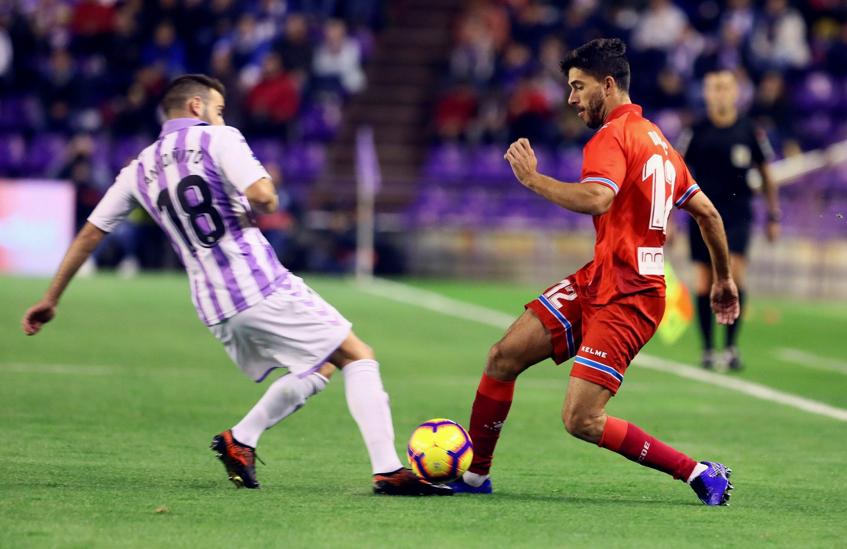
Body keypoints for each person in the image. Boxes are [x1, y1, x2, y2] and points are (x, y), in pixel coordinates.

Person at [21, 74, 450, 497]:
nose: (222, 117)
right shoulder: (219, 139)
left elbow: (90, 233)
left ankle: (241, 439)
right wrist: (268, 195)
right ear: (197, 107)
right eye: (219, 109)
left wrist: (50, 298)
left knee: (323, 364)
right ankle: (388, 470)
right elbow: (263, 196)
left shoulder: (139, 168)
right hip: (257, 283)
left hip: (213, 305)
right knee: (359, 355)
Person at [448, 39, 739, 506]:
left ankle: (700, 472)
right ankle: (476, 475)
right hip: (600, 278)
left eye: (578, 87)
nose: (571, 98)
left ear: (607, 85)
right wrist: (723, 279)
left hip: (630, 296)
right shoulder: (658, 141)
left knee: (581, 419)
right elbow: (709, 214)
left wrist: (533, 180)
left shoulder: (612, 137)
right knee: (503, 356)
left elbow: (598, 198)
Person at [678, 70, 780, 370]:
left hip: (737, 215)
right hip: (701, 215)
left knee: (734, 274)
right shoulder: (696, 130)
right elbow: (677, 171)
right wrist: (668, 217)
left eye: (725, 87)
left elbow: (766, 174)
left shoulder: (750, 130)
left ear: (736, 93)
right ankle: (708, 348)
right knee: (703, 281)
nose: (720, 93)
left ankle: (731, 346)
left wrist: (773, 215)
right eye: (715, 88)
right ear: (706, 93)